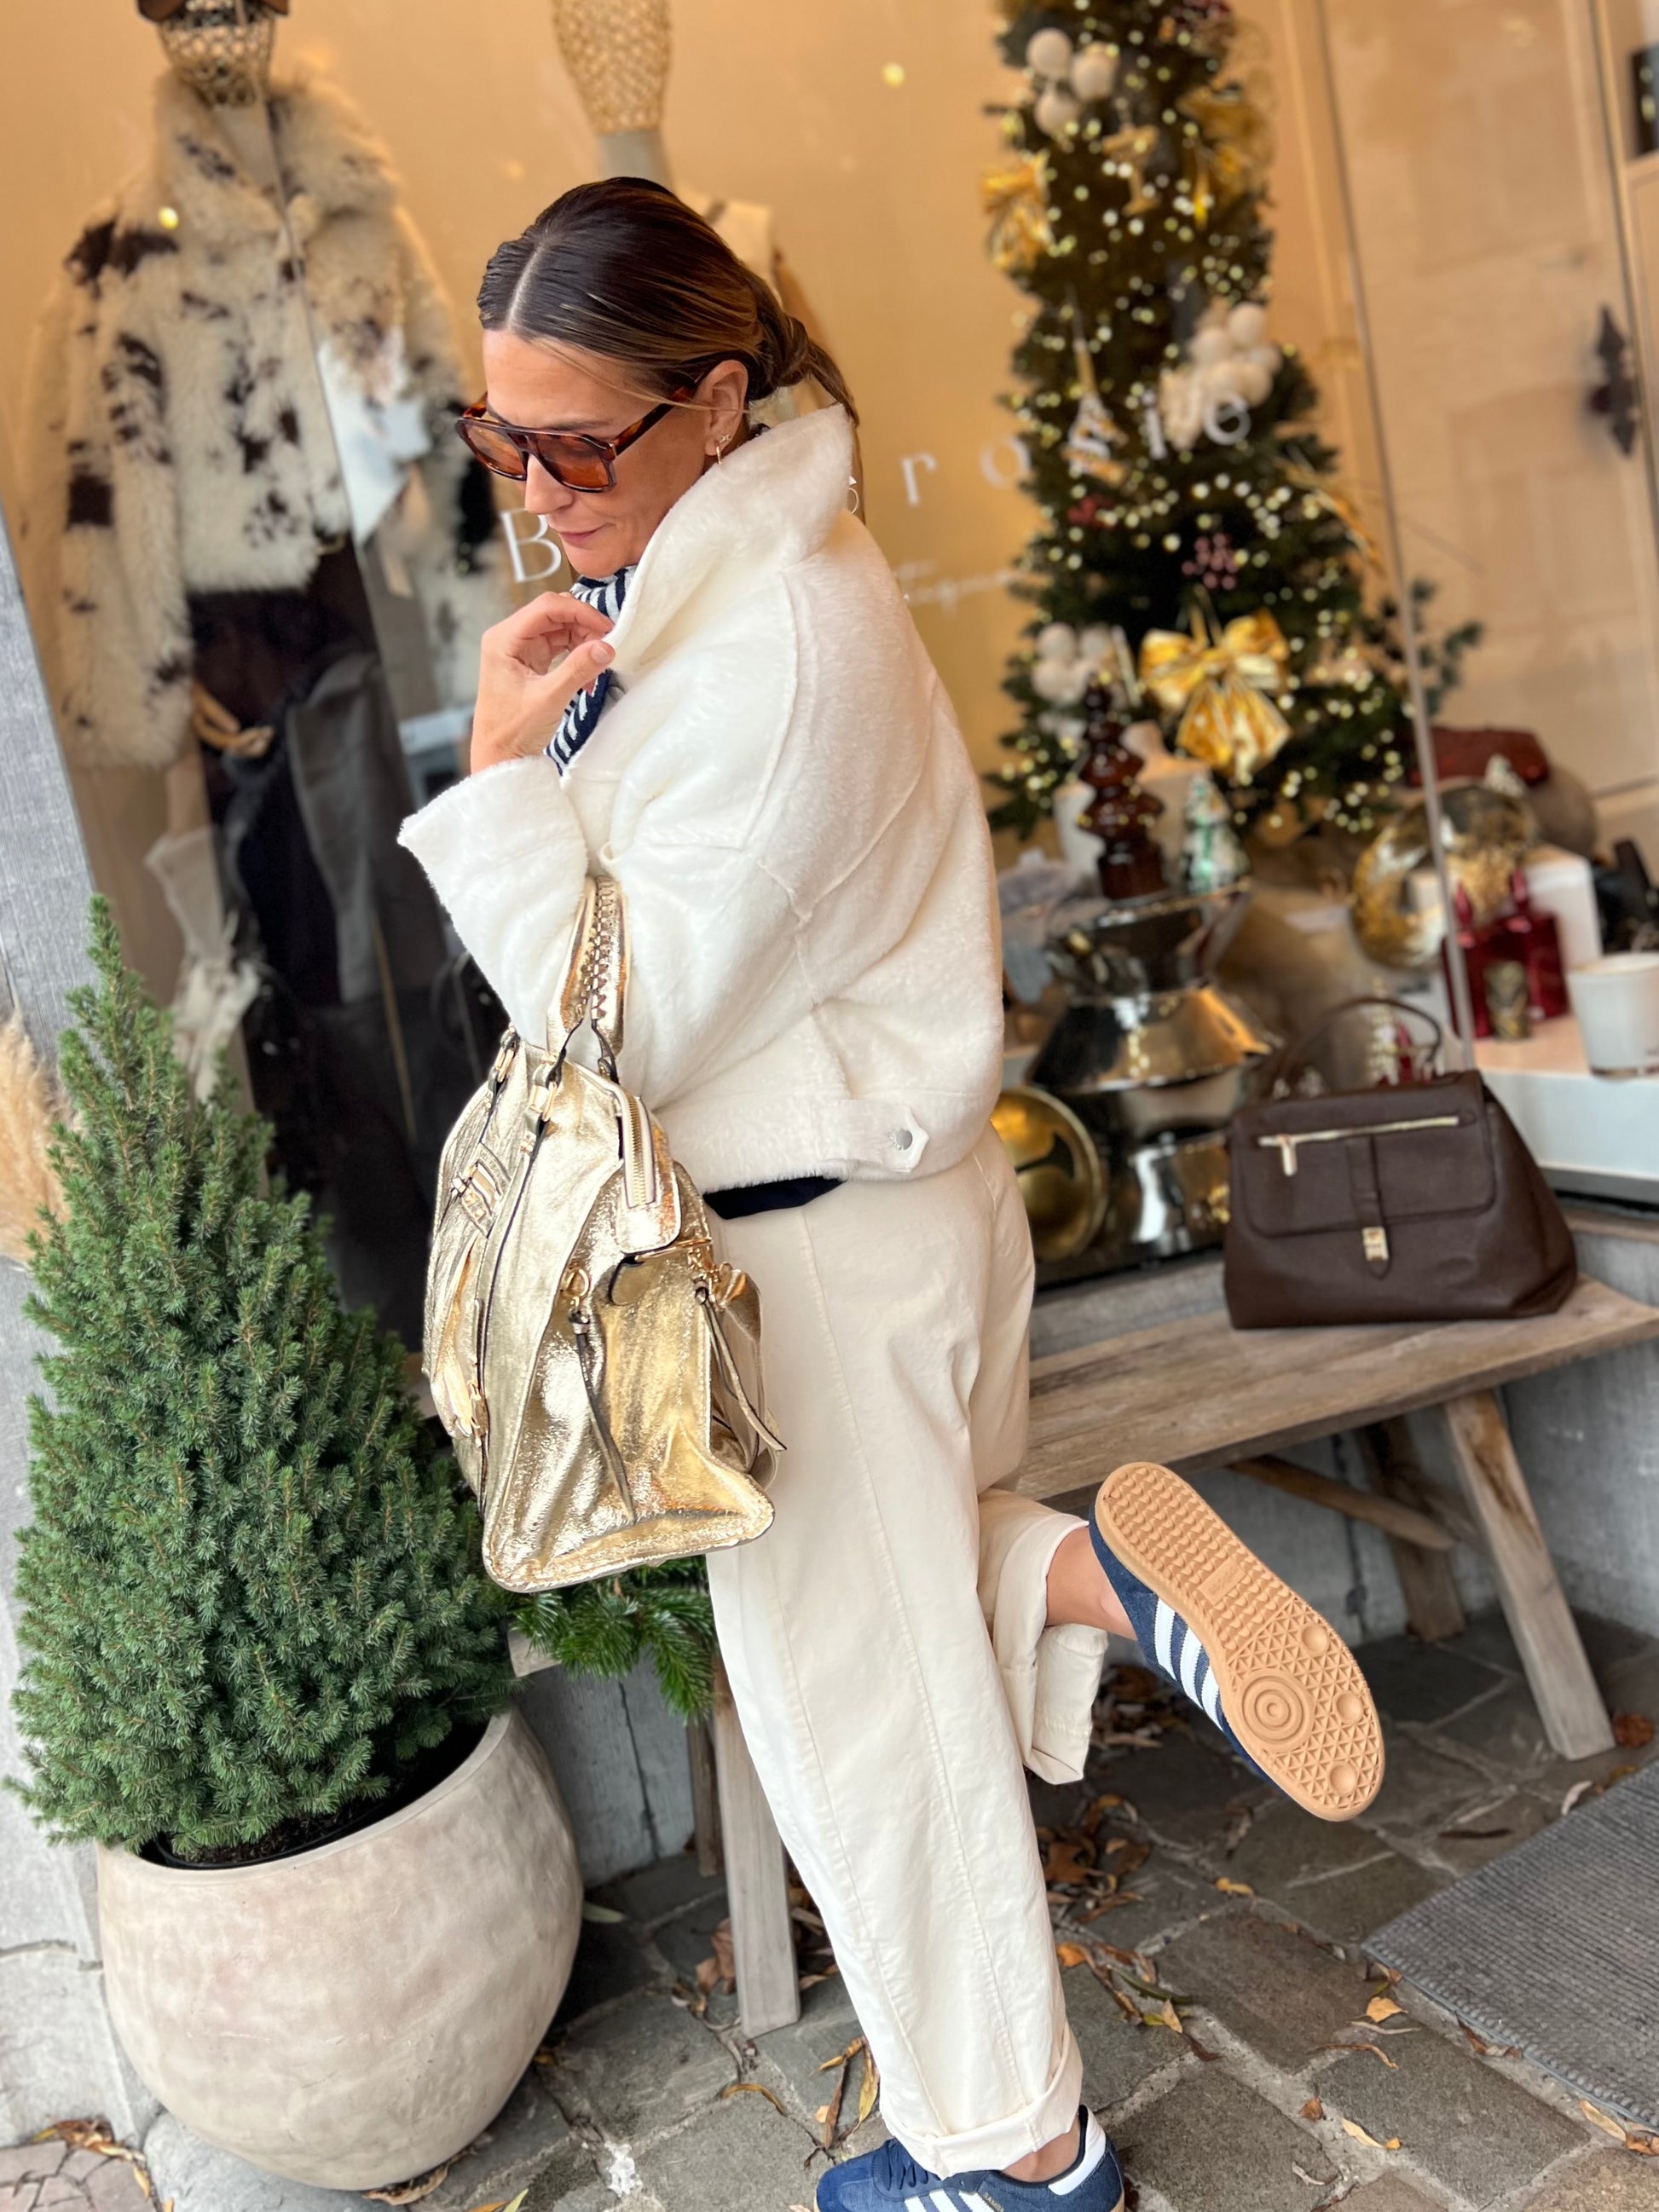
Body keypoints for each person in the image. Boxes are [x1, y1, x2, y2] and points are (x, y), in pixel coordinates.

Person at [399, 177, 1384, 2212]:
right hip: (864, 1220)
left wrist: (500, 782)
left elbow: (614, 1016)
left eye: (578, 443)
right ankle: (1106, 1585)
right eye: (503, 440)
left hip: (808, 1257)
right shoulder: (737, 585)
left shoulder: (768, 638)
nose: (541, 490)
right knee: (907, 1632)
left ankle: (1019, 2153)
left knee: (868, 1730)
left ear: (713, 399)